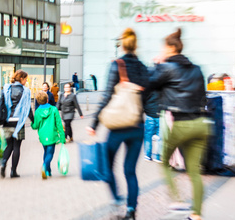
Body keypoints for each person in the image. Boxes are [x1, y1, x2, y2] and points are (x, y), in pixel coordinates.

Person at [86, 28, 149, 220]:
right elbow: (147, 97)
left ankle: (116, 197)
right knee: (130, 170)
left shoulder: (116, 65)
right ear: (136, 45)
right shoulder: (143, 68)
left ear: (122, 44)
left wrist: (94, 124)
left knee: (107, 165)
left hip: (117, 127)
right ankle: (131, 210)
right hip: (137, 125)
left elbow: (106, 96)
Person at [148, 28, 209, 220]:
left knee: (165, 162)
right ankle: (196, 214)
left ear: (172, 48)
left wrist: (156, 65)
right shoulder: (197, 69)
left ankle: (177, 201)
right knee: (194, 171)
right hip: (201, 123)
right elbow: (203, 96)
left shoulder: (166, 68)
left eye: (164, 47)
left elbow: (149, 84)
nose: (162, 51)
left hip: (182, 124)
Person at [0, 70, 35, 179]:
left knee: (8, 145)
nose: (26, 81)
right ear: (21, 79)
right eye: (26, 79)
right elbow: (27, 108)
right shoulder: (25, 91)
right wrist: (33, 120)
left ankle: (3, 163)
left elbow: (1, 104)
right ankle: (13, 171)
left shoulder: (6, 88)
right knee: (16, 146)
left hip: (7, 120)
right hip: (18, 122)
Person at [31, 91, 66, 179]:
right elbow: (59, 124)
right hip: (52, 135)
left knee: (46, 152)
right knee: (50, 153)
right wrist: (62, 137)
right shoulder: (54, 109)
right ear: (47, 99)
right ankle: (44, 166)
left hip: (42, 136)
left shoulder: (38, 111)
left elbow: (35, 126)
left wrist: (32, 124)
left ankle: (48, 171)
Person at [143, 89, 161, 163]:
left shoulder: (148, 87)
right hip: (160, 114)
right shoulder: (162, 87)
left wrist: (146, 110)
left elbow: (143, 100)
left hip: (150, 114)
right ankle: (157, 156)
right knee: (159, 137)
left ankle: (147, 155)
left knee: (148, 136)